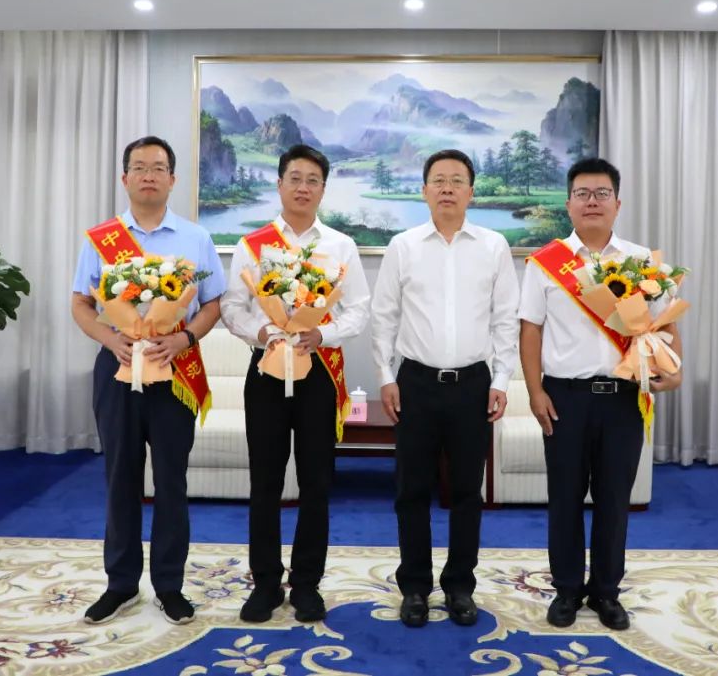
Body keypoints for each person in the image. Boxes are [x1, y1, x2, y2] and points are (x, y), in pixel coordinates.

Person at [518, 157, 683, 630]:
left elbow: (665, 323)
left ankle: (607, 591)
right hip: (564, 396)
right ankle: (567, 589)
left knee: (614, 500)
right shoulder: (545, 264)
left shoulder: (642, 262)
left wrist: (674, 369)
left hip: (623, 397)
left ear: (617, 203)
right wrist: (534, 391)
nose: (592, 201)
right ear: (569, 203)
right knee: (564, 498)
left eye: (602, 193)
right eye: (583, 193)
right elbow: (530, 331)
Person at [71, 136, 226, 625]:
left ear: (172, 179)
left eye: (159, 168)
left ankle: (169, 585)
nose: (149, 176)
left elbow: (214, 304)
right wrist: (109, 338)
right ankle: (120, 584)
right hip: (117, 369)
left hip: (174, 370)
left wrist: (185, 338)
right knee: (120, 476)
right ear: (125, 178)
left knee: (172, 480)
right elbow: (81, 303)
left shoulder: (195, 238)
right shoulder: (102, 238)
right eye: (139, 167)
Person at [221, 144, 370, 623]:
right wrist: (263, 331)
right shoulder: (253, 244)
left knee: (316, 482)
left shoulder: (340, 245)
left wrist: (322, 333)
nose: (303, 188)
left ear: (323, 189)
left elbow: (358, 310)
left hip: (319, 371)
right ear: (280, 184)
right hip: (266, 370)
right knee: (265, 481)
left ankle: (307, 583)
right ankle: (265, 584)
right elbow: (232, 306)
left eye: (312, 180)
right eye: (295, 178)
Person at [371, 149, 519, 628]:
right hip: (415, 382)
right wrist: (386, 376)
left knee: (467, 492)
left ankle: (460, 587)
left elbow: (505, 319)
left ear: (471, 191)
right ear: (424, 191)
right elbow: (383, 317)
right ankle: (415, 587)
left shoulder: (493, 245)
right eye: (438, 180)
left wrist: (501, 379)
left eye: (457, 180)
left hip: (473, 384)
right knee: (411, 490)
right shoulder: (404, 245)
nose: (448, 188)